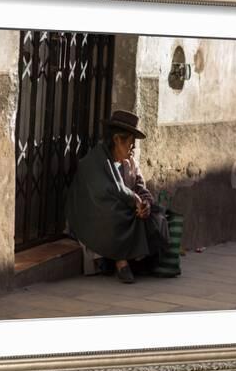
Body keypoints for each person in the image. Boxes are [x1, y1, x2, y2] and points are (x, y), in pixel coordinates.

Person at [65, 110, 169, 283]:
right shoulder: (95, 161)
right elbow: (104, 192)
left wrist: (145, 204)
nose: (133, 148)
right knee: (113, 213)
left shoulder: (131, 163)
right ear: (117, 140)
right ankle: (121, 261)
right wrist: (132, 199)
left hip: (128, 212)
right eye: (130, 143)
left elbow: (141, 188)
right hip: (95, 216)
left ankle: (137, 260)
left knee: (157, 215)